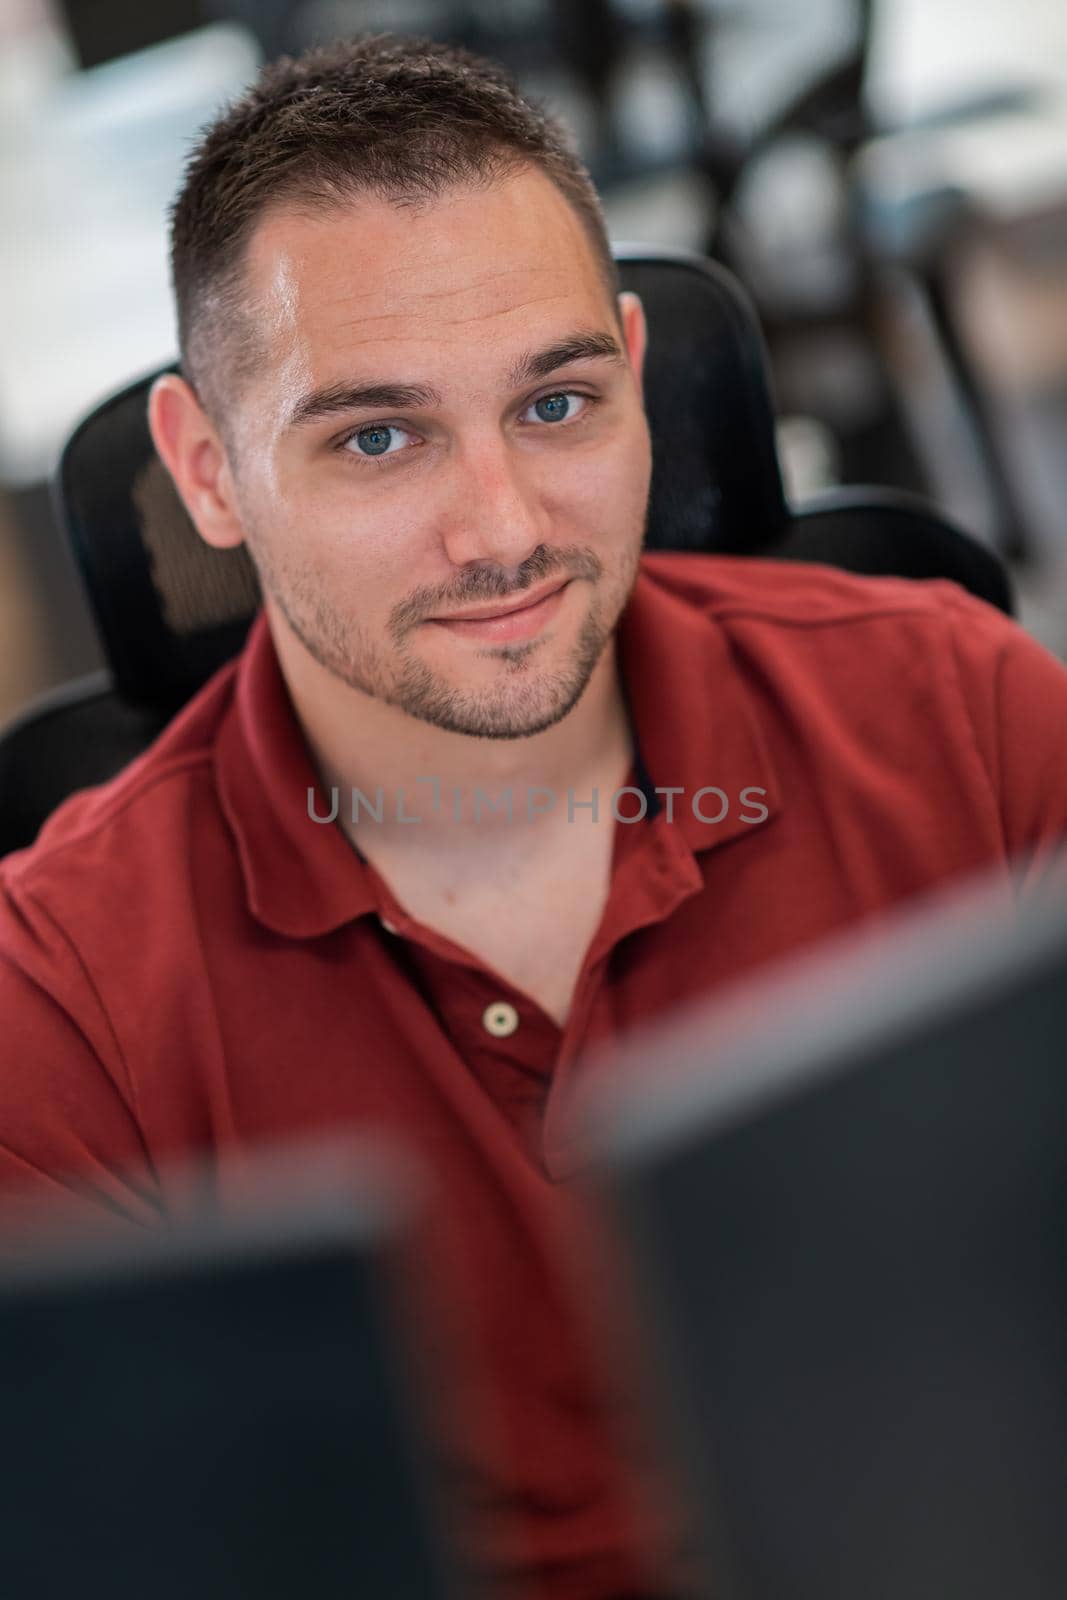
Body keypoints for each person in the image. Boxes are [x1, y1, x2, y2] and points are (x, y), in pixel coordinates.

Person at [2, 34, 1067, 1600]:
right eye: (378, 437)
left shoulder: (961, 717)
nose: (503, 531)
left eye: (558, 406)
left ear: (636, 377)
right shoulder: (62, 1009)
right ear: (208, 473)